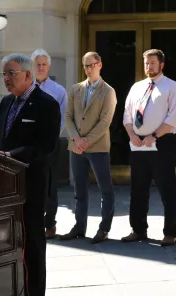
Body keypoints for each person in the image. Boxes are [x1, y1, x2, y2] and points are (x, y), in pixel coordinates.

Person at [0, 54, 61, 296]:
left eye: (11, 73)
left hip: (29, 186)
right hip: (2, 186)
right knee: (5, 244)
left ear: (27, 75)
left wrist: (13, 156)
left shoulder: (47, 104)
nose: (6, 79)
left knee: (31, 245)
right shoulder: (7, 102)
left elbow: (47, 145)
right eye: (4, 74)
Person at [121, 49, 176, 246]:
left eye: (152, 63)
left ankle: (170, 232)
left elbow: (174, 117)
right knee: (138, 190)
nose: (148, 66)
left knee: (167, 190)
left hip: (161, 143)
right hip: (137, 143)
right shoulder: (137, 87)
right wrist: (132, 135)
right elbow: (127, 114)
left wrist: (154, 136)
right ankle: (138, 229)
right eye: (146, 63)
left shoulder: (171, 87)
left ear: (161, 65)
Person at [59, 52, 117, 244]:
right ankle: (79, 226)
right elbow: (67, 116)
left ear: (99, 64)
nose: (88, 69)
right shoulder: (76, 89)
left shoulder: (108, 91)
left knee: (105, 189)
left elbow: (105, 122)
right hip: (76, 147)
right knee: (79, 190)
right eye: (85, 66)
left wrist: (86, 140)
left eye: (91, 65)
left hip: (98, 147)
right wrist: (76, 138)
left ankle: (104, 228)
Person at [31, 49, 67, 239]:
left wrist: (47, 138)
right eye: (38, 64)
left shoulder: (58, 91)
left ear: (49, 66)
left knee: (50, 186)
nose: (41, 67)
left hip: (51, 145)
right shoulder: (26, 89)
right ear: (33, 66)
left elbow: (62, 118)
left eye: (44, 64)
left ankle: (50, 224)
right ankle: (33, 223)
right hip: (29, 146)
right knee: (32, 185)